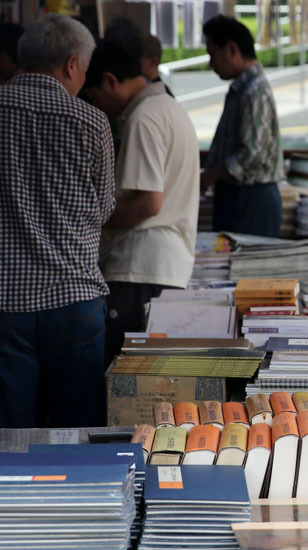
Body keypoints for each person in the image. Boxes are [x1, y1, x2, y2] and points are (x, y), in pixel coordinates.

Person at [0, 14, 114, 428]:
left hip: (5, 303)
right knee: (77, 430)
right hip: (73, 301)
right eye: (84, 70)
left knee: (8, 434)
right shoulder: (91, 121)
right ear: (71, 64)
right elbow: (103, 211)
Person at [81, 41, 199, 366]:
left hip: (140, 268)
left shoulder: (143, 117)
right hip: (161, 265)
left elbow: (148, 203)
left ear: (110, 81)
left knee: (125, 382)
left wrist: (89, 219)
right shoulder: (168, 107)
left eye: (93, 97)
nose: (98, 107)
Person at [200, 15, 283, 237]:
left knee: (247, 268)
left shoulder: (254, 90)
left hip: (251, 200)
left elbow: (253, 153)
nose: (211, 63)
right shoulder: (243, 88)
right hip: (238, 196)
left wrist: (212, 174)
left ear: (232, 49)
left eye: (213, 54)